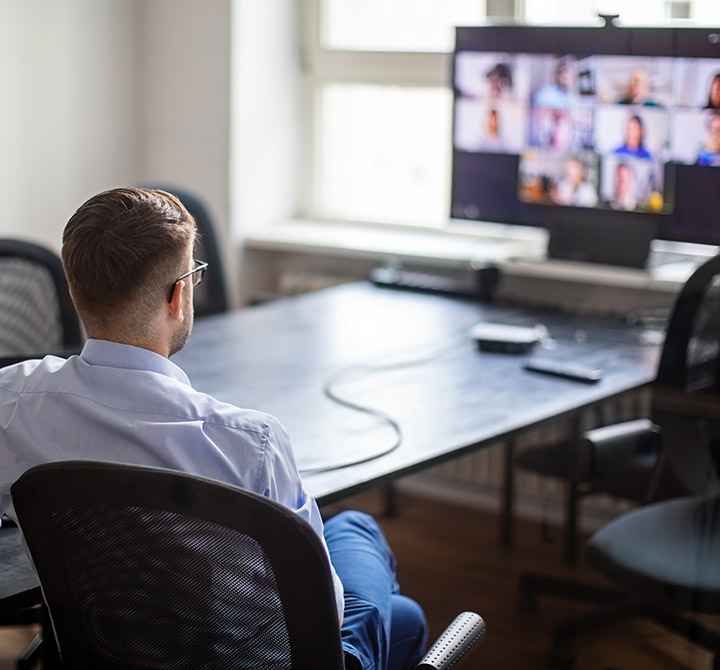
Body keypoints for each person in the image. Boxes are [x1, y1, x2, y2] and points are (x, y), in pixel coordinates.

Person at [0, 188, 427, 670]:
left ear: (75, 289)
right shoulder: (250, 442)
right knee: (359, 535)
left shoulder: (12, 402)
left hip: (119, 648)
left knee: (401, 613)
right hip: (250, 658)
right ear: (178, 295)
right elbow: (322, 616)